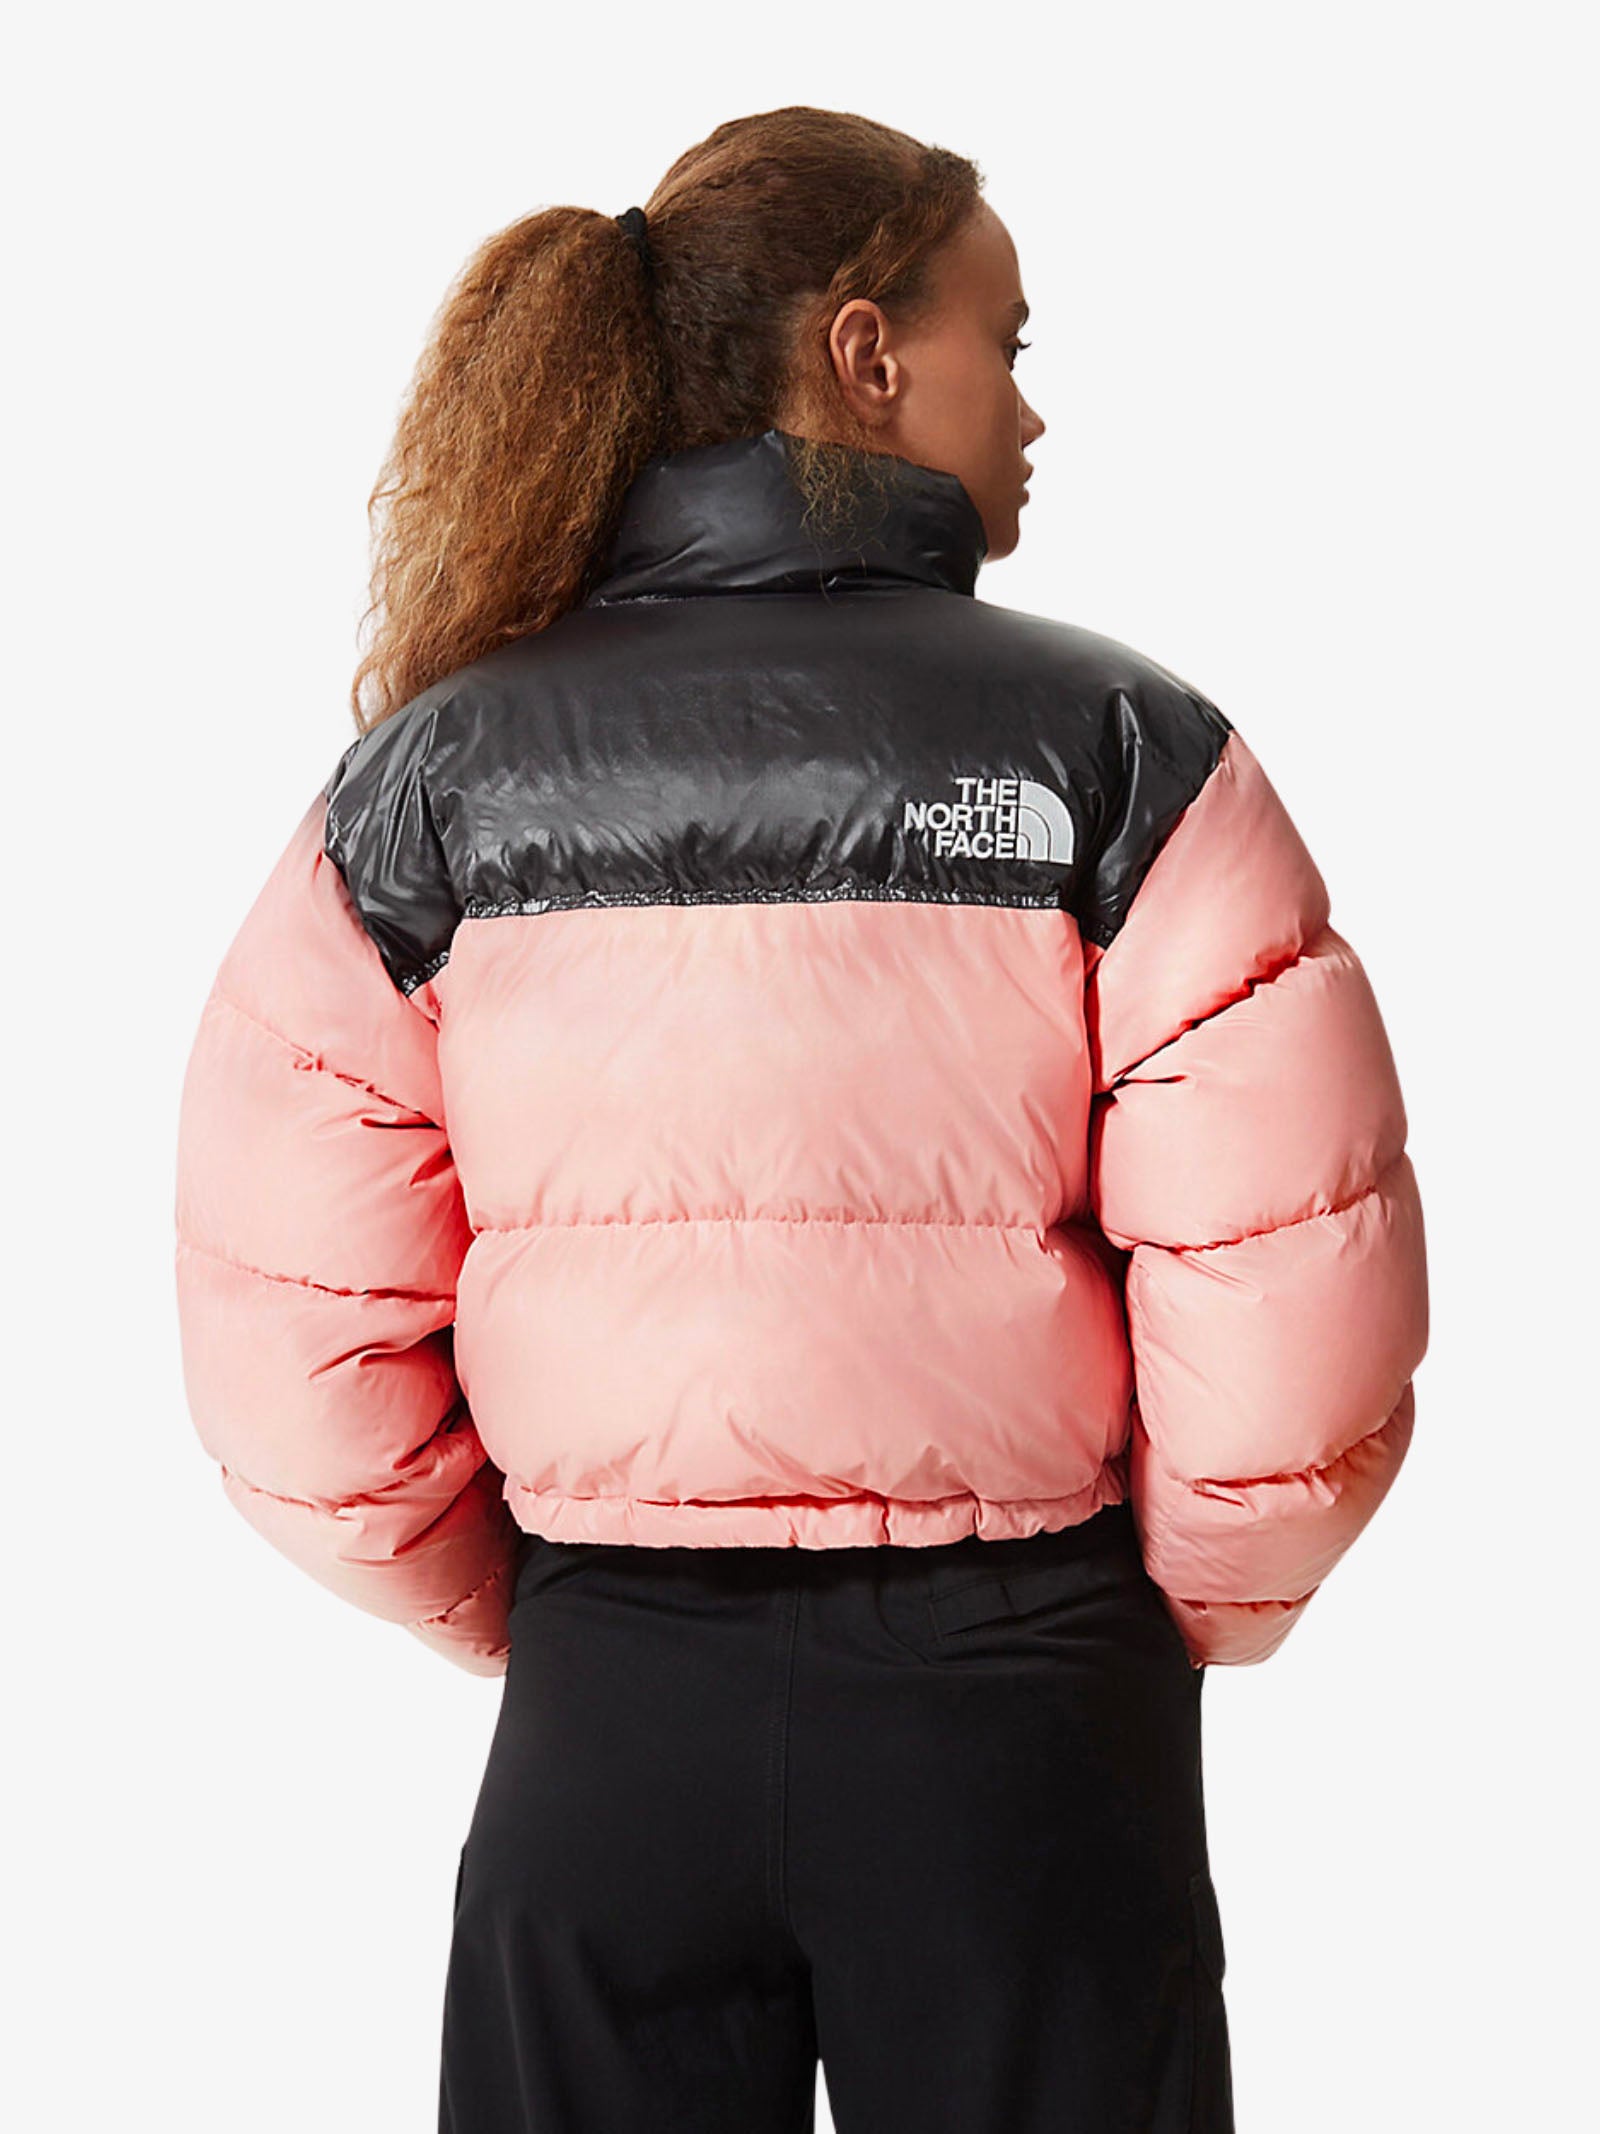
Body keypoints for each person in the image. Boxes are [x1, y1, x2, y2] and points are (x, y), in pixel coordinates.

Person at [173, 103, 1429, 2134]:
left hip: (607, 1729)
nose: (1032, 407)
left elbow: (287, 1322)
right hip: (1021, 1713)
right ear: (865, 354)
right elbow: (1285, 1284)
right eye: (1004, 341)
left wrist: (556, 1614)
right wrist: (1164, 1610)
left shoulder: (429, 780)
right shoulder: (1122, 749)